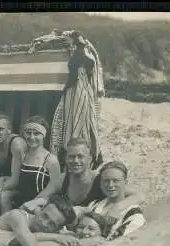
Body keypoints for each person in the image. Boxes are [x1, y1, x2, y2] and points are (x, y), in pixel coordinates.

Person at [22, 138, 143, 229]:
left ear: (89, 159)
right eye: (71, 157)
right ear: (66, 159)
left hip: (90, 229)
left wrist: (118, 207)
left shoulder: (100, 179)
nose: (75, 161)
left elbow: (139, 194)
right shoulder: (62, 179)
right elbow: (36, 201)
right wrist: (43, 205)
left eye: (80, 157)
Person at [50, 31, 104, 171]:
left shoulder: (81, 60)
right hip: (77, 95)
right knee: (76, 123)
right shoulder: (84, 55)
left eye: (72, 44)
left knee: (75, 123)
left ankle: (76, 160)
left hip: (77, 95)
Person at [76, 161, 147, 241]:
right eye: (106, 181)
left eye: (115, 181)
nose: (110, 185)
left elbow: (120, 243)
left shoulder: (133, 214)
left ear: (125, 182)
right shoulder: (94, 204)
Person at [14, 115, 62, 208]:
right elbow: (16, 179)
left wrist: (32, 203)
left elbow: (54, 188)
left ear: (43, 136)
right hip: (21, 201)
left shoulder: (50, 159)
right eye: (28, 133)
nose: (32, 137)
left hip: (41, 204)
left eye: (36, 134)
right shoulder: (23, 155)